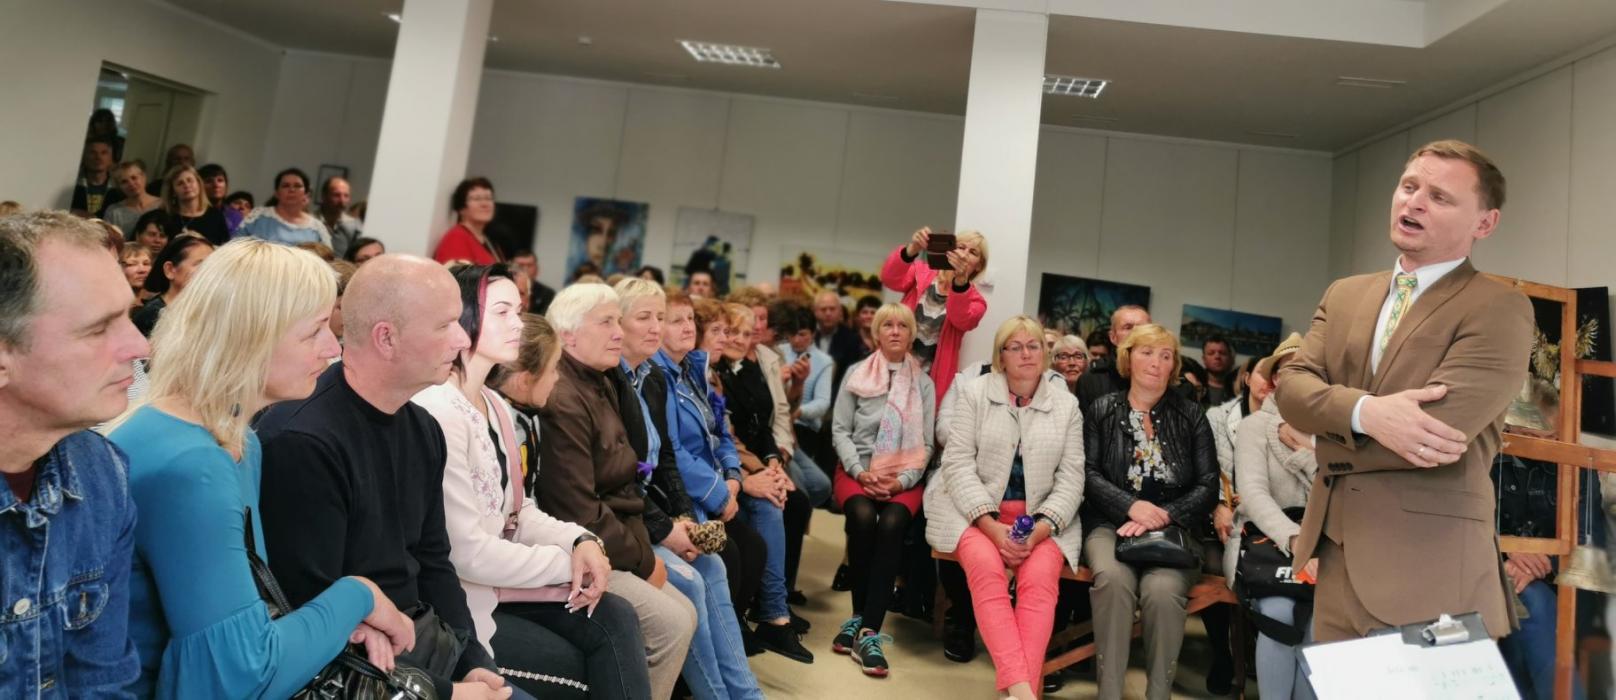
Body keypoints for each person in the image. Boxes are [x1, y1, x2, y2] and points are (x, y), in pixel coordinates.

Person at [108, 240, 416, 697]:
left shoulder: (233, 439)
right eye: (314, 331)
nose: (331, 347)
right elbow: (240, 677)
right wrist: (361, 596)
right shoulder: (195, 465)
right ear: (250, 339)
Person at [1273, 139, 1532, 642]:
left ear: (1485, 223)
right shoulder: (1344, 294)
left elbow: (1435, 434)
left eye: (1439, 197)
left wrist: (1324, 435)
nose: (1414, 202)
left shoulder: (1499, 307)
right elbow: (1291, 390)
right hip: (1335, 557)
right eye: (1409, 186)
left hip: (1432, 565)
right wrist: (1365, 412)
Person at [254, 255, 518, 699]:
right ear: (386, 338)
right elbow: (311, 615)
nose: (462, 339)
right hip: (356, 673)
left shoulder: (423, 428)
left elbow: (434, 561)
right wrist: (448, 692)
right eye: (446, 325)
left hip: (420, 648)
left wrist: (473, 662)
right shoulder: (303, 441)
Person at [413, 265, 651, 699]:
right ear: (463, 318)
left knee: (616, 615)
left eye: (519, 311)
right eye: (503, 312)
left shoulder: (493, 405)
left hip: (498, 586)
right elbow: (466, 554)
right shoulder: (439, 410)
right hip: (459, 602)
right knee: (577, 668)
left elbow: (518, 511)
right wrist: (567, 564)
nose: (519, 325)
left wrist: (580, 541)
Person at [0, 211, 148, 696]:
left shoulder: (100, 472)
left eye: (128, 316)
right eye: (99, 328)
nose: (140, 346)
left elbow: (103, 680)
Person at [536, 283, 699, 700]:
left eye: (617, 321)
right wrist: (644, 560)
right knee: (673, 622)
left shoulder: (600, 380)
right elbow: (576, 509)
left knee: (685, 609)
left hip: (617, 539)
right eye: (606, 322)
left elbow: (626, 487)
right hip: (580, 549)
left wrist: (644, 553)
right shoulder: (563, 398)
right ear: (569, 335)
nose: (618, 333)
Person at [614, 278, 765, 700]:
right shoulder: (613, 382)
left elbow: (666, 458)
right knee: (695, 580)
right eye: (647, 318)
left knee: (714, 565)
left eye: (660, 317)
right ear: (619, 323)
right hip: (626, 518)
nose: (656, 326)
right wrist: (669, 528)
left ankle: (746, 692)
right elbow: (623, 478)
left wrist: (683, 515)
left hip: (656, 508)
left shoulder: (651, 378)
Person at [926, 316, 1084, 699]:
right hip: (975, 515)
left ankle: (1016, 693)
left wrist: (1040, 530)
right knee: (987, 571)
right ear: (1001, 356)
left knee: (1040, 584)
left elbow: (1072, 478)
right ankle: (1023, 692)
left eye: (1033, 345)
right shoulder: (975, 393)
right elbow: (957, 464)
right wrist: (991, 526)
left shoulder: (1066, 405)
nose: (1026, 354)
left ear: (1045, 353)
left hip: (1042, 521)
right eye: (1016, 347)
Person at [1082, 324, 1219, 700]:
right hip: (1110, 523)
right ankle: (1109, 694)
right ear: (1127, 358)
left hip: (1174, 530)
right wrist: (1131, 506)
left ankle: (1158, 695)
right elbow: (1088, 474)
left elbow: (1209, 485)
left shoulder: (1192, 415)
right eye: (1146, 352)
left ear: (1174, 365)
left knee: (1162, 592)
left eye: (1165, 355)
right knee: (1113, 581)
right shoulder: (1102, 410)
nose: (1156, 363)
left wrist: (1165, 514)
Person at [828, 302, 937, 677]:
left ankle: (868, 632)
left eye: (902, 326)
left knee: (891, 524)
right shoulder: (856, 374)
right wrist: (860, 472)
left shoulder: (924, 384)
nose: (894, 331)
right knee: (861, 518)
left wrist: (900, 481)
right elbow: (840, 430)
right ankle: (859, 617)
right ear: (876, 333)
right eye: (887, 325)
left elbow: (927, 445)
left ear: (911, 335)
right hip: (856, 469)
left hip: (904, 475)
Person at [710, 303, 817, 663]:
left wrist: (773, 462)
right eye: (729, 332)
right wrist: (752, 475)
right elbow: (727, 438)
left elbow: (764, 423)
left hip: (750, 461)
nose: (738, 339)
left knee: (794, 500)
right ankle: (772, 613)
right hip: (728, 470)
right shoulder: (715, 372)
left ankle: (775, 604)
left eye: (745, 332)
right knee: (770, 504)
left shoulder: (746, 368)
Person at [1232, 341, 1319, 700]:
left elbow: (1338, 493)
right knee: (1280, 613)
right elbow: (1253, 495)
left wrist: (1306, 452)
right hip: (1266, 547)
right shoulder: (1254, 427)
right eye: (1288, 370)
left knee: (1322, 622)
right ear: (1276, 379)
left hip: (1323, 550)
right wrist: (1296, 540)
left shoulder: (1331, 432)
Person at [880, 227, 988, 400]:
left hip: (928, 383)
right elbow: (889, 279)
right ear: (950, 249)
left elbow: (961, 319)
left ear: (979, 264)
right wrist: (912, 249)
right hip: (892, 369)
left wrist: (960, 282)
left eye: (973, 252)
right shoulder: (921, 272)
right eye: (961, 247)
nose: (964, 255)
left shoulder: (976, 301)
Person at [772, 300, 835, 506]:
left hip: (804, 425)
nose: (796, 340)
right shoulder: (778, 351)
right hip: (779, 423)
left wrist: (798, 412)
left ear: (813, 334)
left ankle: (799, 509)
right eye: (792, 334)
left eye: (802, 334)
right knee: (798, 486)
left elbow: (823, 403)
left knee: (819, 485)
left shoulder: (824, 361)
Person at [133, 234, 215, 337]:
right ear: (170, 270)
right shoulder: (151, 316)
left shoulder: (210, 311)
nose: (210, 272)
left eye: (212, 265)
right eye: (201, 265)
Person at [1076, 304, 1151, 416]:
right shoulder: (1091, 379)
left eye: (1142, 328)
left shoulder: (1162, 375)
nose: (1136, 333)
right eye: (1128, 327)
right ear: (1113, 337)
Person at [238, 168, 333, 247]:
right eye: (285, 186)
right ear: (276, 193)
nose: (292, 190)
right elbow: (236, 247)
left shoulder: (317, 228)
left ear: (306, 194)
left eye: (297, 186)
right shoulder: (258, 217)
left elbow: (327, 259)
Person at [157, 164, 230, 246]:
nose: (187, 185)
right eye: (180, 183)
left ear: (199, 184)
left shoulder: (216, 216)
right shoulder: (164, 216)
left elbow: (224, 249)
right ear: (173, 192)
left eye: (190, 180)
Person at [435, 177, 503, 264]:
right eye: (477, 199)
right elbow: (454, 271)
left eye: (488, 198)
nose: (485, 204)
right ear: (462, 208)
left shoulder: (489, 240)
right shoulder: (457, 237)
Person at [812, 291, 864, 392]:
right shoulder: (806, 335)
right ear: (815, 312)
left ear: (840, 312)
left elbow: (849, 376)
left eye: (832, 309)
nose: (828, 313)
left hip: (837, 394)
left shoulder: (852, 339)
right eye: (823, 309)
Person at [101, 162, 163, 235]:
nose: (131, 184)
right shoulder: (114, 212)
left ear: (143, 177)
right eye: (124, 182)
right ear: (119, 186)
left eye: (134, 178)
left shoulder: (162, 205)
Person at [319, 177, 364, 259]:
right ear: (324, 196)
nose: (342, 200)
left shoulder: (353, 226)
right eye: (336, 195)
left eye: (346, 196)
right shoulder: (311, 221)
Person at [71, 137, 117, 217]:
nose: (98, 157)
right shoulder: (72, 184)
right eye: (92, 153)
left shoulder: (119, 187)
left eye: (104, 153)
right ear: (84, 157)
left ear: (111, 159)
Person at [511, 250, 557, 314]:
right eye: (520, 265)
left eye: (529, 265)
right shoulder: (502, 288)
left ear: (537, 269)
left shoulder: (548, 294)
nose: (525, 269)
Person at [1200, 336, 1237, 406]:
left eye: (1222, 353)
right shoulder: (1194, 384)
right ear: (1204, 359)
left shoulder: (1238, 389)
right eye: (1211, 353)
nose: (1217, 357)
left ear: (1230, 358)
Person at [119, 243, 152, 315]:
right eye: (132, 264)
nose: (142, 270)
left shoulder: (156, 303)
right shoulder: (109, 306)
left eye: (146, 264)